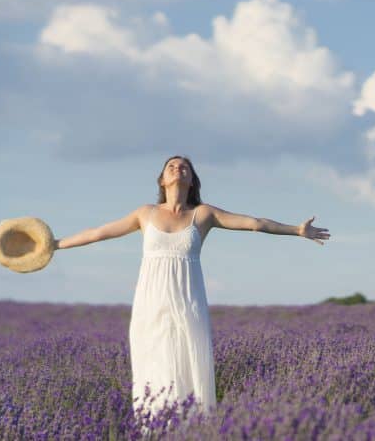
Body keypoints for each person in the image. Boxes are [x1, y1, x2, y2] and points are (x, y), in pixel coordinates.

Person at [51, 154, 331, 430]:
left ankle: (193, 431)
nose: (178, 169)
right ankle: (154, 431)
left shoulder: (203, 214)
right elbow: (99, 232)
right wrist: (56, 244)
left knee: (189, 364)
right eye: (171, 166)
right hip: (151, 302)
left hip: (188, 301)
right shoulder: (145, 213)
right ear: (162, 179)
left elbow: (254, 223)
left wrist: (296, 230)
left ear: (192, 179)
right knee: (153, 366)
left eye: (184, 167)